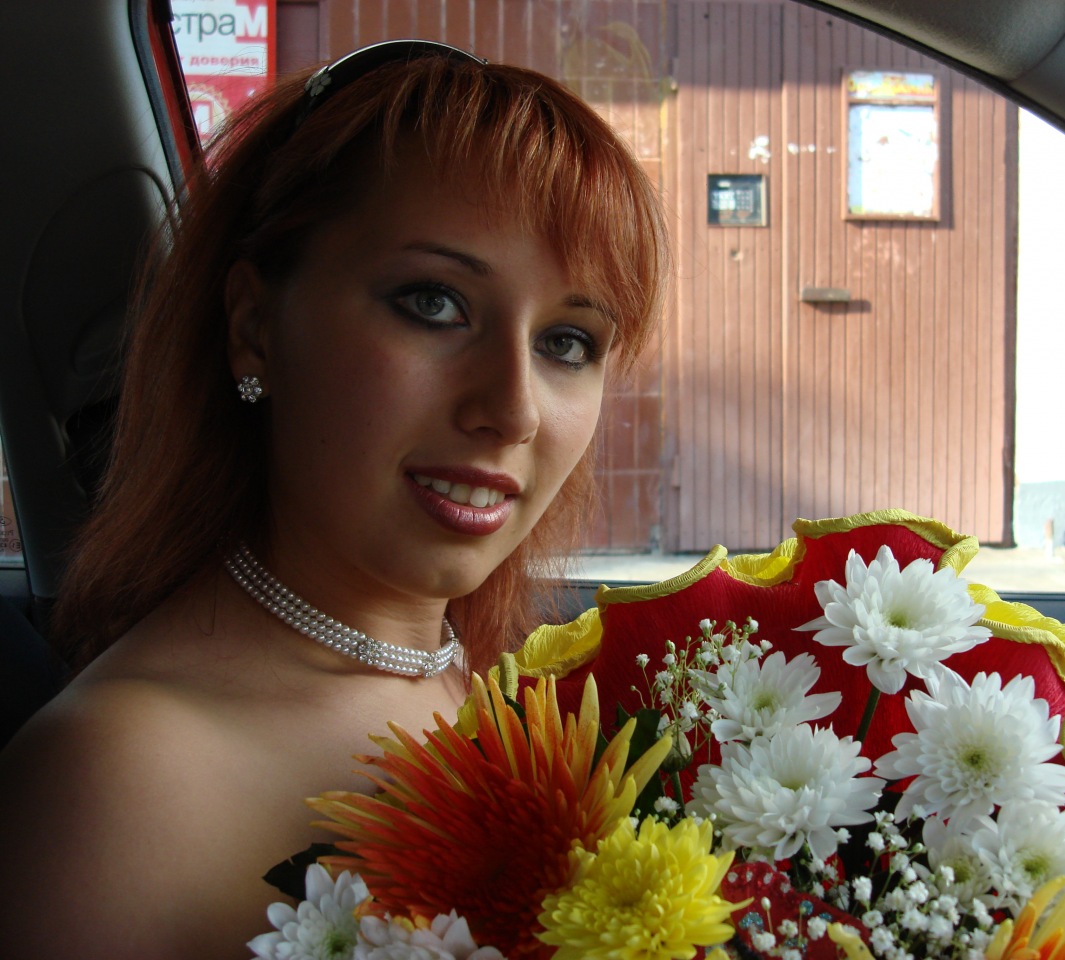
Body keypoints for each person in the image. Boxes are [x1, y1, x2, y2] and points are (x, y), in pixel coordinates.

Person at [0, 41, 668, 959]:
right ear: (255, 326)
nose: (513, 410)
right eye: (434, 304)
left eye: (566, 342)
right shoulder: (114, 784)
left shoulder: (514, 697)